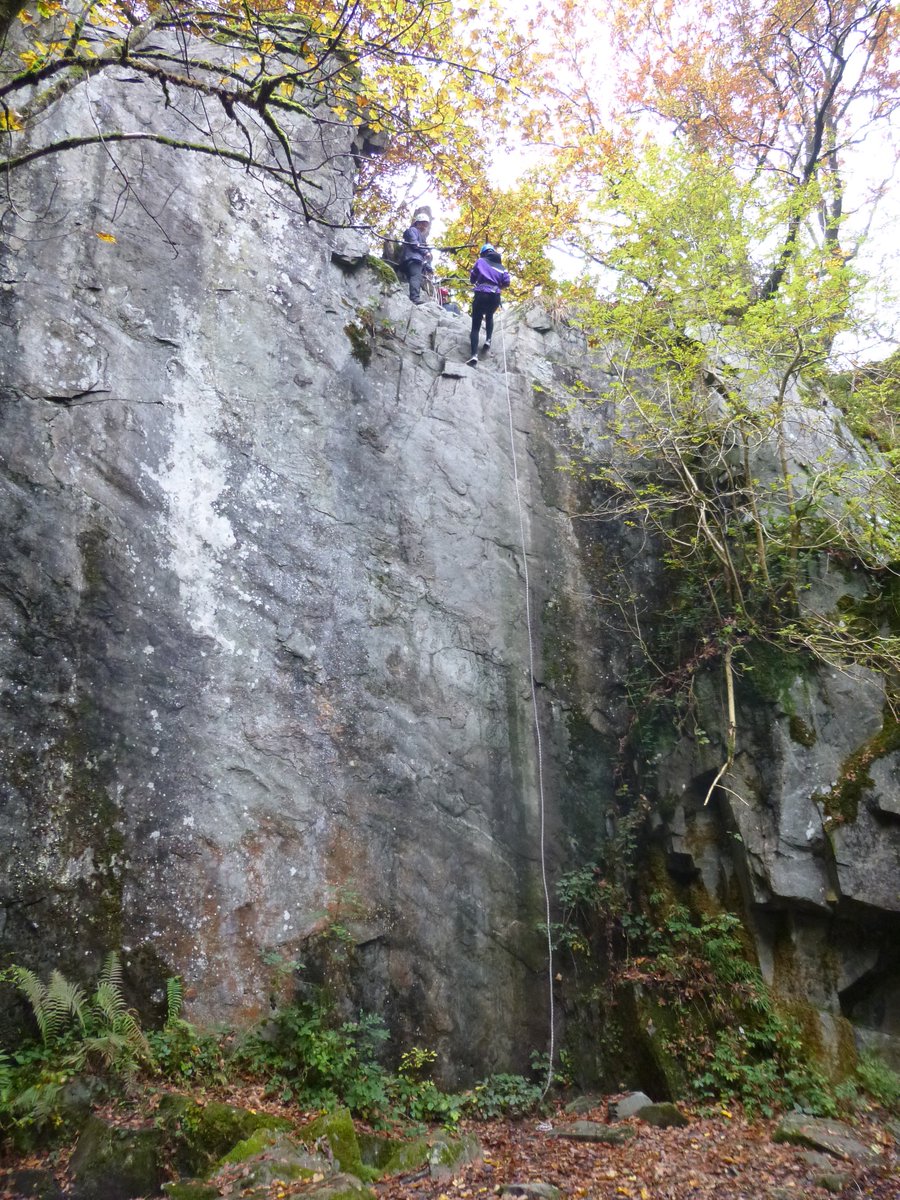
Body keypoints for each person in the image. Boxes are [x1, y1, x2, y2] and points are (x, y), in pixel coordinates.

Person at [467, 244, 510, 366]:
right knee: (490, 315)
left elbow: (472, 278)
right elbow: (507, 282)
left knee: (476, 326)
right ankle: (488, 340)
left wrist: (478, 280)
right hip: (495, 295)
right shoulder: (502, 267)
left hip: (481, 294)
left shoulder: (480, 261)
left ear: (483, 253)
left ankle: (474, 355)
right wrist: (497, 286)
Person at [398, 208, 433, 304]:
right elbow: (414, 243)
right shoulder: (412, 230)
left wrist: (429, 267)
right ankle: (415, 298)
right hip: (412, 259)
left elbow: (422, 250)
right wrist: (425, 252)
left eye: (425, 225)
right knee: (416, 277)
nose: (424, 226)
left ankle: (413, 297)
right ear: (417, 223)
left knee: (416, 277)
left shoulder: (422, 238)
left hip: (416, 259)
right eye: (422, 224)